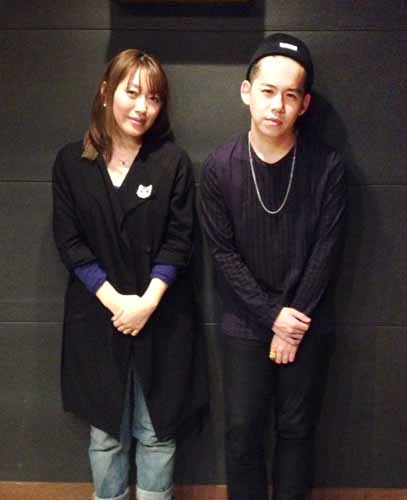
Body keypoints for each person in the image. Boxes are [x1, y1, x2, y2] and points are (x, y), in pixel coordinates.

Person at [52, 49, 207, 500]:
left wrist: (147, 303)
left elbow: (180, 240)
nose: (142, 107)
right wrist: (118, 303)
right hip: (98, 317)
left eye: (153, 98)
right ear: (106, 92)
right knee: (106, 434)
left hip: (163, 317)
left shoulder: (172, 162)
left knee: (157, 432)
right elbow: (70, 242)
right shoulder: (71, 163)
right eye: (132, 92)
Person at [200, 33, 346, 500]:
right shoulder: (219, 168)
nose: (277, 106)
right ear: (247, 92)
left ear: (304, 105)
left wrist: (292, 322)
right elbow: (223, 254)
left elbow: (327, 248)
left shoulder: (327, 166)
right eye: (267, 91)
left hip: (307, 321)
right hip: (245, 322)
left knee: (297, 429)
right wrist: (272, 317)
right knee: (242, 432)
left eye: (290, 95)